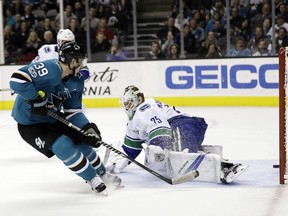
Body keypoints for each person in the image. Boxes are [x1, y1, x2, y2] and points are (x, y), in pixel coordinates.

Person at [9, 41, 122, 194]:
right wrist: (36, 99)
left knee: (81, 140)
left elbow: (73, 112)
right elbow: (16, 79)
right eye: (81, 61)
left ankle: (102, 172)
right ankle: (93, 178)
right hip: (30, 124)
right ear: (73, 61)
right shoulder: (49, 69)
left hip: (53, 117)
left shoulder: (76, 81)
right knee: (62, 145)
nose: (83, 65)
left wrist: (87, 128)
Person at [105, 85, 248, 184]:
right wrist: (113, 166)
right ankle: (206, 155)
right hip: (183, 128)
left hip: (184, 125)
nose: (127, 107)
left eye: (130, 103)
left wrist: (157, 148)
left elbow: (161, 131)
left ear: (139, 100)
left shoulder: (145, 108)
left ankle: (227, 167)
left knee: (182, 156)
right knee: (177, 161)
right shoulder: (133, 123)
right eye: (125, 104)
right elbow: (130, 150)